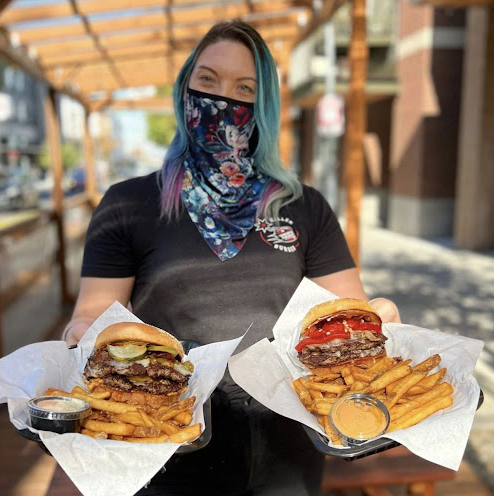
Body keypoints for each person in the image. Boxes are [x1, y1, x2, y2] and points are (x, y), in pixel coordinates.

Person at [63, 20, 401, 496]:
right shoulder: (127, 203)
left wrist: (378, 316)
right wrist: (82, 331)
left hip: (290, 428)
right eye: (208, 80)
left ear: (265, 107)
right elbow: (96, 313)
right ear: (184, 90)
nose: (223, 98)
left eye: (245, 88)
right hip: (168, 429)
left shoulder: (304, 205)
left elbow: (348, 308)